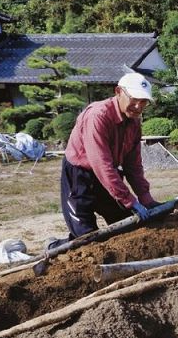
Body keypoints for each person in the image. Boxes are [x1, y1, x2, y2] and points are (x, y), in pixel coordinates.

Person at [48, 72, 160, 249]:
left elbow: (133, 165)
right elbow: (101, 163)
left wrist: (145, 198)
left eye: (144, 101)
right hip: (79, 176)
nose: (138, 106)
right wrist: (129, 200)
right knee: (87, 238)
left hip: (107, 176)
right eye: (134, 99)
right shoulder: (98, 115)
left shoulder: (134, 122)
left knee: (128, 226)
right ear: (118, 92)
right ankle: (54, 247)